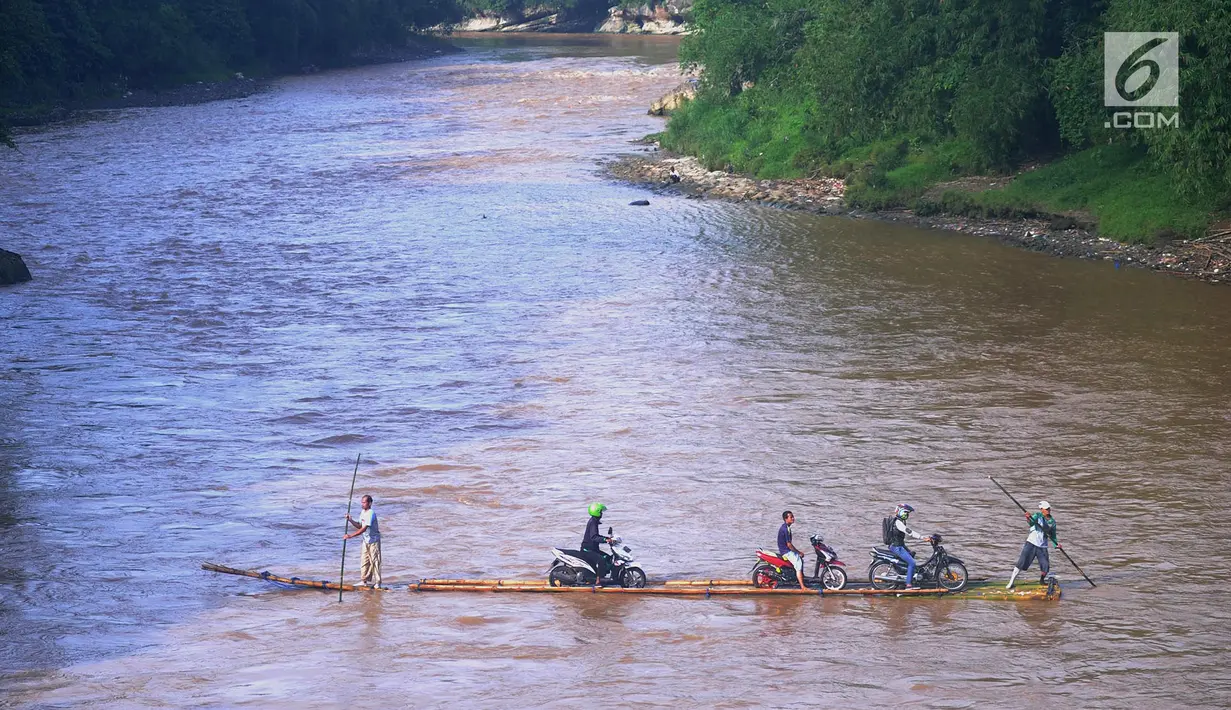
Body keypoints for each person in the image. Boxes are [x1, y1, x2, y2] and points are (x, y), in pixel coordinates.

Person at [1008, 501, 1060, 588]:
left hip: (1042, 546)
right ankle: (1011, 582)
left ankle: (1042, 580)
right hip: (1031, 543)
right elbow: (1031, 522)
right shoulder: (1037, 516)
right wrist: (1028, 518)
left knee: (1045, 566)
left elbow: (1053, 535)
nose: (1048, 510)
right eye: (1046, 509)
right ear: (1041, 510)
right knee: (1021, 563)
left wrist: (1056, 545)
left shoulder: (1052, 521)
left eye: (1048, 509)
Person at [887, 503, 930, 589]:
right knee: (912, 563)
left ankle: (907, 575)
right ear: (900, 512)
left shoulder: (900, 521)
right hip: (897, 547)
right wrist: (922, 537)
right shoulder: (898, 523)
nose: (907, 515)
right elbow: (909, 532)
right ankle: (908, 584)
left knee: (911, 555)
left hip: (899, 545)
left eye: (908, 513)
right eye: (906, 513)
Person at [344, 494, 381, 588]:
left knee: (375, 561)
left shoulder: (371, 513)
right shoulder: (362, 512)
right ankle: (364, 581)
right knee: (364, 561)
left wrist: (350, 536)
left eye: (364, 502)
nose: (362, 504)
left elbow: (364, 529)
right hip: (366, 540)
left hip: (374, 541)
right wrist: (351, 520)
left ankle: (378, 583)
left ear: (369, 503)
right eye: (362, 502)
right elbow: (360, 525)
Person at [579, 502, 612, 581]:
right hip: (587, 550)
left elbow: (597, 536)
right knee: (601, 560)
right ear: (597, 512)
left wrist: (607, 538)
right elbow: (594, 537)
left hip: (593, 549)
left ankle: (602, 576)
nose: (601, 514)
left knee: (608, 558)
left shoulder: (594, 521)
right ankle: (598, 580)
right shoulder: (593, 522)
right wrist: (605, 540)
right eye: (600, 512)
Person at [777, 511, 808, 589]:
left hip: (784, 550)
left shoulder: (785, 527)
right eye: (791, 517)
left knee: (799, 559)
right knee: (799, 564)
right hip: (786, 551)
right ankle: (802, 586)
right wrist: (798, 552)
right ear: (786, 519)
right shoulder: (785, 529)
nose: (793, 518)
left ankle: (799, 579)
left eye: (793, 516)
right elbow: (789, 545)